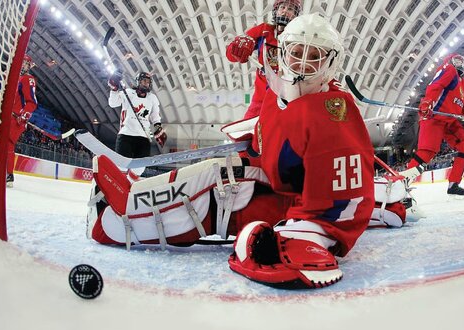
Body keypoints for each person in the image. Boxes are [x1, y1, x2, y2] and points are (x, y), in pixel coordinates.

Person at [87, 14, 389, 290]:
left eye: (314, 56)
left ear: (330, 61)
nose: (303, 64)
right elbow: (272, 140)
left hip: (293, 207)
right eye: (297, 52)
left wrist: (312, 236)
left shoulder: (332, 109)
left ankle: (118, 223)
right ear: (283, 52)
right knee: (222, 169)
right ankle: (134, 196)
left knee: (225, 191)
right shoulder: (279, 93)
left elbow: (345, 195)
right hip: (276, 183)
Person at [401, 53, 464, 198]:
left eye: (462, 60)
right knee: (427, 153)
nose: (460, 63)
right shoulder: (448, 70)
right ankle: (401, 183)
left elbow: (463, 107)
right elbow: (435, 86)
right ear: (449, 60)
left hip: (450, 120)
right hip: (435, 116)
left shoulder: (463, 84)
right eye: (457, 59)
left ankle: (454, 185)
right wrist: (428, 102)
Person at [225, 0, 301, 119]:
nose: (285, 11)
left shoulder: (301, 37)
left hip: (289, 99)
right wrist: (236, 49)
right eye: (283, 7)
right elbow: (231, 54)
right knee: (247, 133)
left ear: (296, 15)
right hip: (261, 99)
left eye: (290, 9)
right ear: (276, 10)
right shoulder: (264, 30)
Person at [107, 71, 166, 174]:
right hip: (126, 135)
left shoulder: (152, 98)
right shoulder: (128, 93)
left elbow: (155, 116)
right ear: (138, 81)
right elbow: (113, 103)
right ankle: (117, 183)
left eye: (148, 81)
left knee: (139, 169)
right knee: (122, 166)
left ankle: (130, 186)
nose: (146, 83)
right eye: (144, 81)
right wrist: (114, 88)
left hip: (144, 137)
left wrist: (158, 128)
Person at [6, 54, 38, 187]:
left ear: (29, 65)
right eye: (22, 61)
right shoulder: (15, 77)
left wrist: (24, 115)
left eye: (25, 63)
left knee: (7, 145)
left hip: (16, 119)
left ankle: (9, 174)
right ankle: (4, 171)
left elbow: (32, 102)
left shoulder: (28, 79)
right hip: (7, 117)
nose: (22, 64)